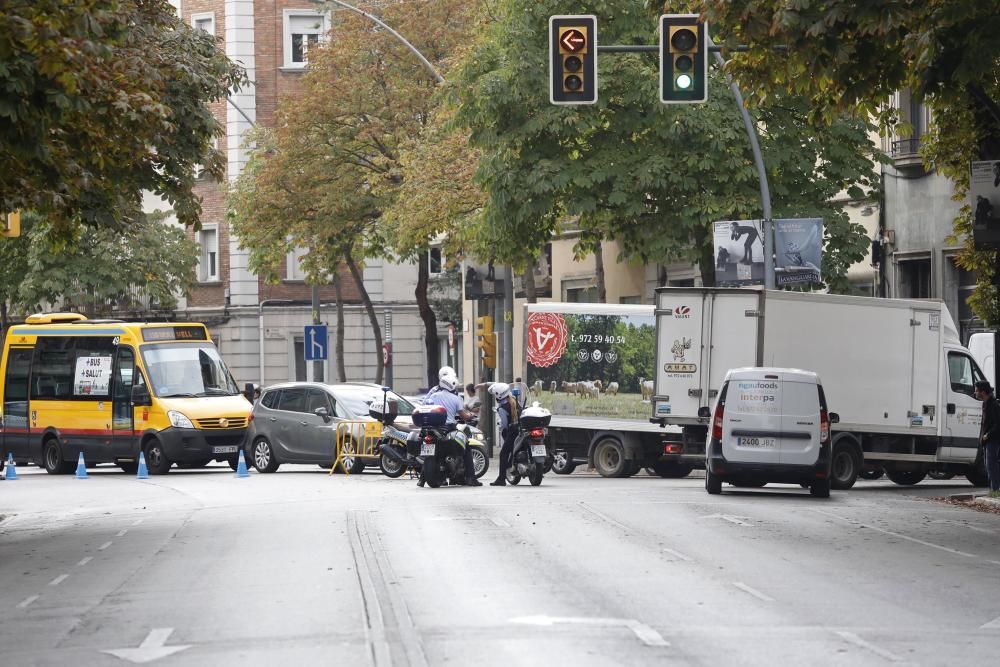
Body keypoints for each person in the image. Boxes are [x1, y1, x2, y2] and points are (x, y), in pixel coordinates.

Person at [421, 366, 481, 487]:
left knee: (430, 451)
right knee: (466, 448)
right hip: (448, 428)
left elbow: (424, 405)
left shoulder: (433, 395)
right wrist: (470, 415)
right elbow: (463, 415)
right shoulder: (456, 398)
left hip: (432, 428)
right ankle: (470, 478)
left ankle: (422, 479)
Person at [489, 382, 520, 487]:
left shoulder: (502, 408)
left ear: (499, 395)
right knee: (512, 450)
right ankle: (511, 466)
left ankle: (501, 479)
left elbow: (505, 425)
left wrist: (502, 425)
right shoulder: (514, 401)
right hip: (520, 430)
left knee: (503, 454)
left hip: (512, 432)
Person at [975, 380, 1000, 493]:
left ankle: (995, 490)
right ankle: (993, 490)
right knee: (988, 465)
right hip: (986, 440)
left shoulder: (994, 405)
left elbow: (997, 424)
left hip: (993, 439)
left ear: (983, 392)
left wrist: (987, 435)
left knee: (991, 465)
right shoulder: (985, 404)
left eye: (976, 390)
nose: (975, 393)